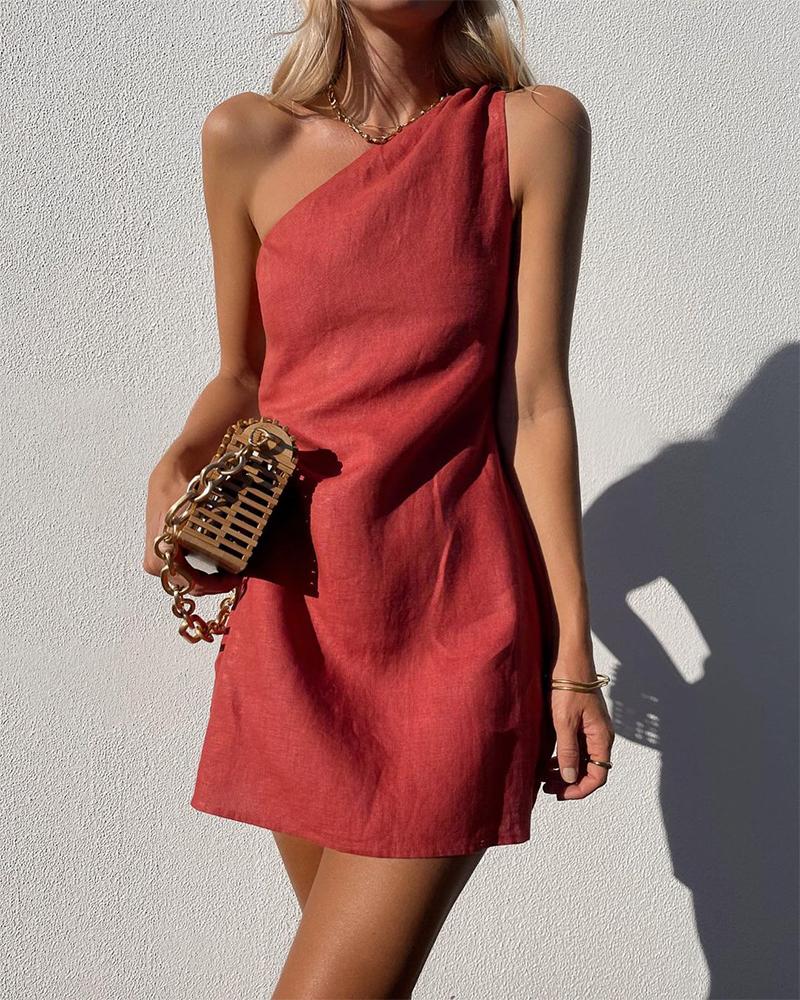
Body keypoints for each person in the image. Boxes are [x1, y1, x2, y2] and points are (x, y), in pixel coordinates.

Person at [143, 1, 615, 995]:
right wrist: (173, 463)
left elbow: (533, 401)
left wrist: (571, 657)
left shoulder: (531, 129)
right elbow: (243, 375)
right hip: (298, 620)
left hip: (454, 620)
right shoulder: (246, 138)